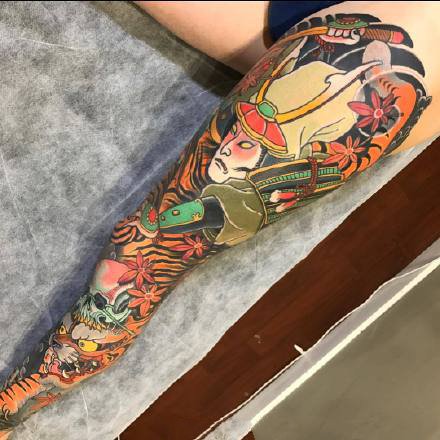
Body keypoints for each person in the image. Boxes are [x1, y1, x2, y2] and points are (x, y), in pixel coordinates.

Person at [0, 2, 439, 437]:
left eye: (248, 145)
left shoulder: (394, 52)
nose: (229, 151)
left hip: (380, 40)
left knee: (141, 258)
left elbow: (146, 258)